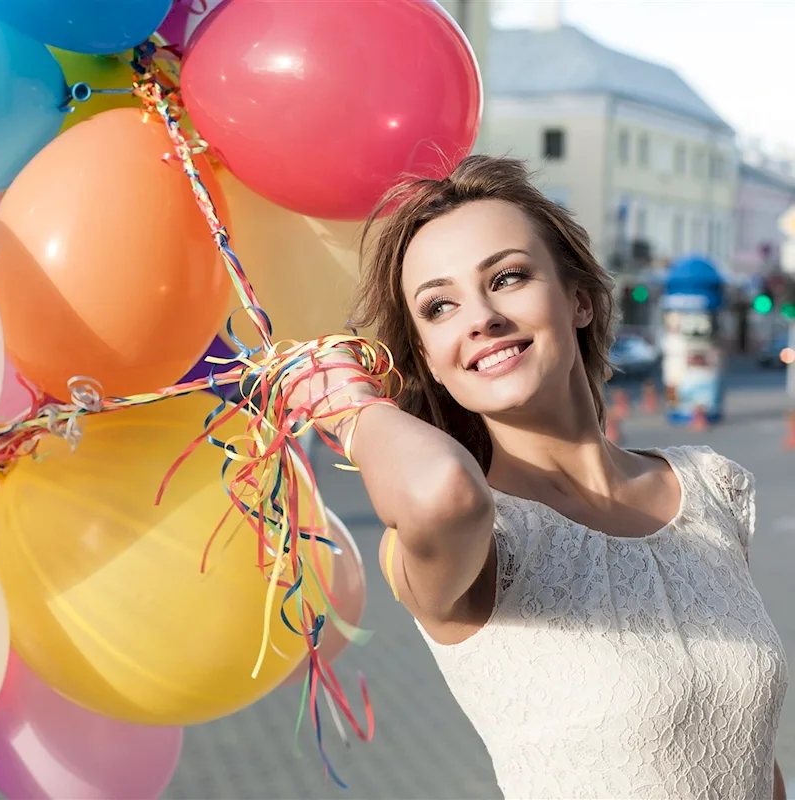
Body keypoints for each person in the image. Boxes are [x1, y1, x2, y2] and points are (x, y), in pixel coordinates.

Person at [286, 156, 789, 799]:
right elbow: (444, 493)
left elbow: (748, 751)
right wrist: (349, 408)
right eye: (439, 306)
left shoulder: (711, 489)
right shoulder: (469, 544)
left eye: (509, 276)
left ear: (579, 299)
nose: (480, 317)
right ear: (431, 364)